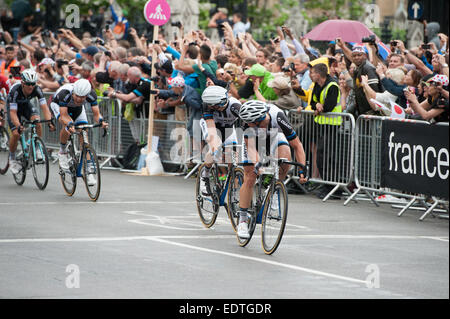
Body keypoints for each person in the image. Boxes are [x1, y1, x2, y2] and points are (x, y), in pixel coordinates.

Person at [236, 100, 307, 239]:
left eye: (252, 123)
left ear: (260, 119)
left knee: (285, 159)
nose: (249, 124)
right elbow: (250, 148)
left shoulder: (278, 117)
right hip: (253, 141)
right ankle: (242, 220)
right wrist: (258, 164)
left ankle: (274, 188)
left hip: (275, 135)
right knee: (250, 176)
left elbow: (297, 145)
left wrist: (302, 169)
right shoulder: (246, 123)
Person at [50, 79, 108, 186]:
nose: (79, 99)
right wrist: (70, 125)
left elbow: (96, 114)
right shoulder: (65, 94)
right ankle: (62, 151)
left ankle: (88, 170)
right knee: (67, 125)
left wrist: (101, 121)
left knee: (83, 131)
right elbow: (64, 116)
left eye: (83, 97)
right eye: (77, 96)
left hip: (78, 109)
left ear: (87, 95)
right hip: (59, 106)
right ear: (73, 92)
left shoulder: (91, 95)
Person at [6, 69, 55, 175]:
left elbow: (45, 108)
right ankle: (12, 158)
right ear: (23, 83)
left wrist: (49, 121)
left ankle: (37, 147)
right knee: (16, 133)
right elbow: (13, 113)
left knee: (37, 122)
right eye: (28, 84)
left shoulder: (37, 89)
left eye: (33, 84)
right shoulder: (15, 91)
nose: (31, 86)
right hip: (14, 108)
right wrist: (18, 125)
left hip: (25, 105)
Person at [199, 85, 242, 195]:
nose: (218, 108)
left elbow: (247, 127)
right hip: (211, 125)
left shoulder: (235, 106)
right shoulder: (207, 105)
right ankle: (205, 175)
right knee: (215, 147)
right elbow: (212, 130)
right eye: (214, 107)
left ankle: (233, 187)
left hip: (228, 128)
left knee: (233, 157)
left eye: (220, 105)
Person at [351, 46, 383, 116]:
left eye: (359, 55)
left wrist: (372, 110)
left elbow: (374, 90)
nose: (356, 57)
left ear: (365, 55)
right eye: (354, 56)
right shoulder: (357, 69)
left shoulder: (368, 68)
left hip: (371, 112)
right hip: (363, 111)